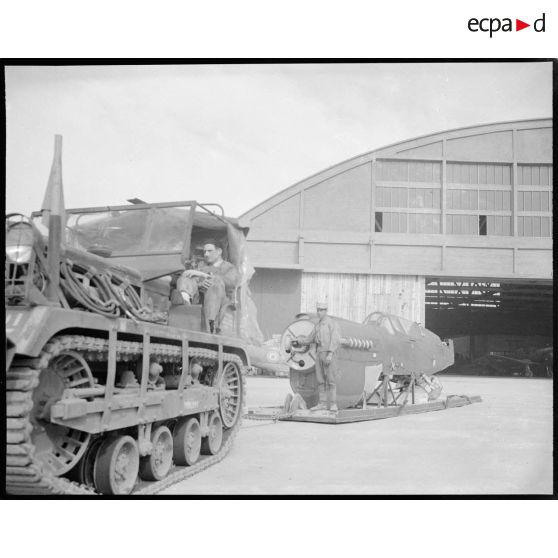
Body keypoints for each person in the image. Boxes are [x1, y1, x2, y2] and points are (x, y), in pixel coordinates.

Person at [176, 240, 239, 334]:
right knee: (186, 277)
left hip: (218, 303)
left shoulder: (229, 268)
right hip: (199, 300)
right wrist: (199, 283)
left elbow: (231, 283)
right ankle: (185, 302)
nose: (206, 254)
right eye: (205, 251)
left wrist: (207, 276)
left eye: (209, 251)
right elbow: (193, 281)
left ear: (219, 251)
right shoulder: (201, 266)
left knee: (215, 283)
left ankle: (211, 327)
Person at [297, 301, 342, 412]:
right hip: (319, 354)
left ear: (326, 311)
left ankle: (333, 404)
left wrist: (330, 353)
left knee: (331, 380)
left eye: (321, 310)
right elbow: (310, 339)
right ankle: (322, 404)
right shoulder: (317, 326)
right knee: (320, 380)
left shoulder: (332, 323)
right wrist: (300, 341)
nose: (319, 312)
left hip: (328, 354)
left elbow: (335, 339)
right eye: (318, 310)